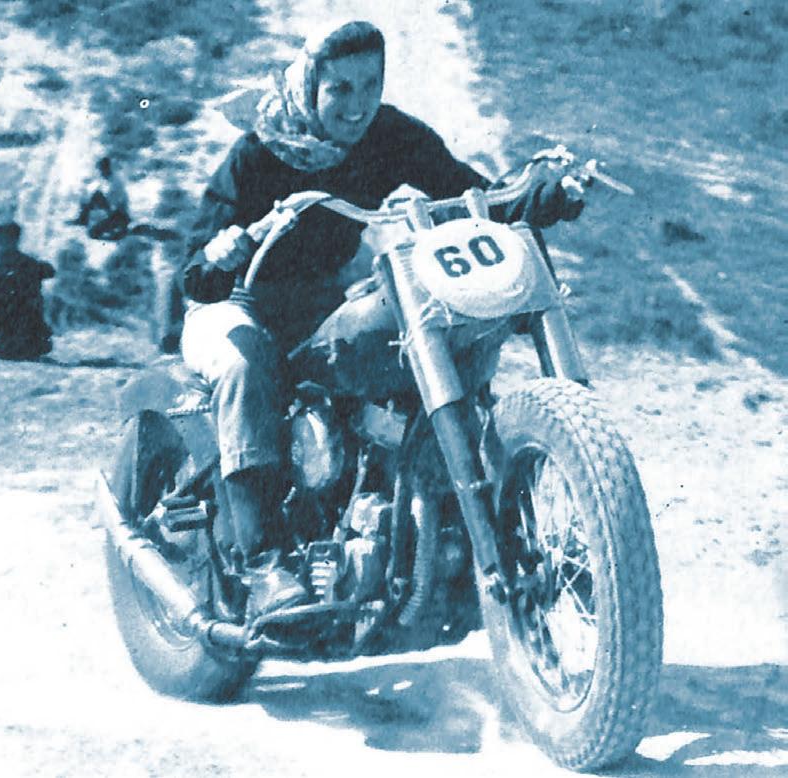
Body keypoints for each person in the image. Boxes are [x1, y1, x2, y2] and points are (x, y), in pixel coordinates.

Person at [180, 20, 582, 617]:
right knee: (246, 368)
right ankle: (264, 564)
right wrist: (222, 251)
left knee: (398, 343)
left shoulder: (389, 136)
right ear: (311, 85)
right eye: (340, 88)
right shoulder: (258, 153)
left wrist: (540, 193)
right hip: (240, 305)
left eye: (371, 84)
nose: (357, 104)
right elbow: (194, 272)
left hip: (324, 304)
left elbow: (472, 193)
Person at [0, 221, 55, 360]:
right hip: (34, 340)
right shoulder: (32, 265)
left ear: (10, 242)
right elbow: (50, 271)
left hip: (6, 338)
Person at [74, 156, 131, 241]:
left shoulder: (115, 183)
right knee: (96, 194)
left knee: (92, 233)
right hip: (114, 211)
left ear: (106, 169)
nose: (100, 173)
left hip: (119, 216)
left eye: (101, 170)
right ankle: (83, 219)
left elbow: (115, 205)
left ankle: (117, 234)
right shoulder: (110, 179)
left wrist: (101, 206)